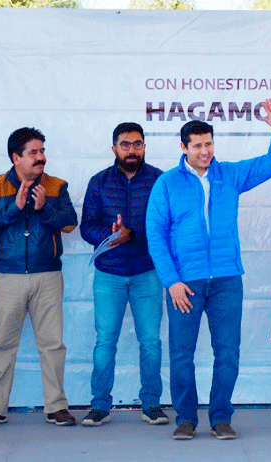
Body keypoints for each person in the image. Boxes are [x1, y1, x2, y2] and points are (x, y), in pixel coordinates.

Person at [146, 99, 271, 440]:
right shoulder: (167, 184)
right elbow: (156, 235)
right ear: (184, 147)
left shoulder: (229, 175)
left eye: (209, 143)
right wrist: (172, 281)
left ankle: (221, 417)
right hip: (186, 283)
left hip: (227, 279)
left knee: (227, 352)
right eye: (197, 145)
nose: (205, 151)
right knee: (181, 353)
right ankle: (185, 418)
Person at [0, 127, 78, 427]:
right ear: (15, 157)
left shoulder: (57, 186)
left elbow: (70, 223)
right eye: (33, 152)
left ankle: (57, 406)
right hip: (8, 277)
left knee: (53, 345)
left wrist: (44, 209)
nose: (41, 157)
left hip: (48, 275)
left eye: (42, 151)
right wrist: (14, 207)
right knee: (2, 345)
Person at [79, 122, 167, 427]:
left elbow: (167, 225)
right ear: (114, 147)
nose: (132, 150)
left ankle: (152, 404)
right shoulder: (99, 182)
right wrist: (112, 234)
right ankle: (100, 405)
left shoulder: (159, 180)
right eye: (125, 144)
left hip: (148, 273)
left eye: (137, 144)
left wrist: (134, 235)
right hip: (109, 275)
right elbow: (86, 227)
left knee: (151, 342)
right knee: (105, 341)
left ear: (144, 146)